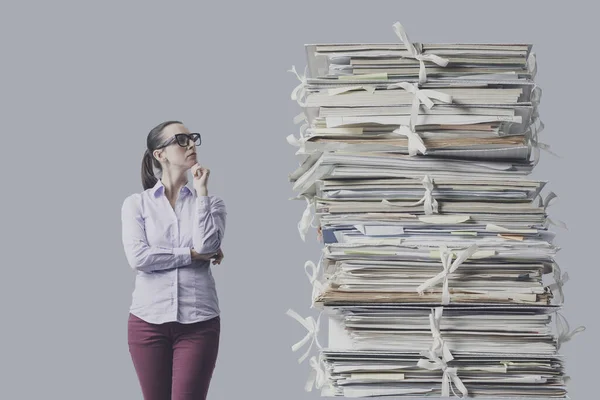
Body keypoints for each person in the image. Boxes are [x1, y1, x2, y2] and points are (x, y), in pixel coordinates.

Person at [121, 120, 227, 400]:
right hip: (147, 322)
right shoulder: (136, 204)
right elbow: (139, 258)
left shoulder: (212, 203)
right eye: (180, 139)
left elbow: (207, 244)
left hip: (199, 323)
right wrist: (190, 255)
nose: (191, 143)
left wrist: (201, 190)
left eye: (192, 138)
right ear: (160, 154)